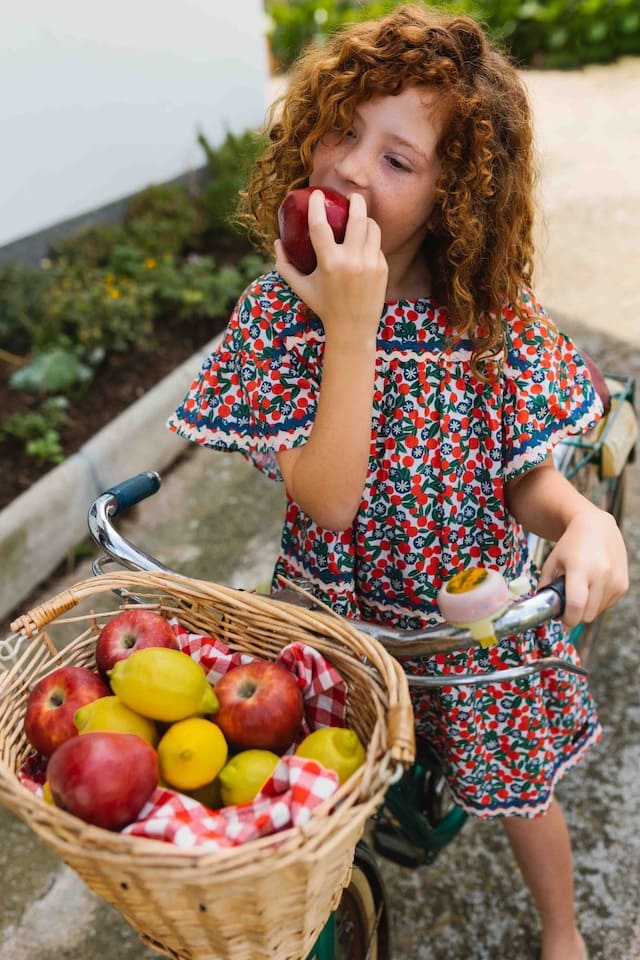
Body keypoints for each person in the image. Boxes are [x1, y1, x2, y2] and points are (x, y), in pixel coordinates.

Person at [167, 5, 628, 958]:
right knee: (294, 789)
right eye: (343, 126)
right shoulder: (281, 318)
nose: (347, 167)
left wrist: (583, 519)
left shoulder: (486, 320)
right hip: (333, 618)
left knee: (521, 788)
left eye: (397, 160)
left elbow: (524, 486)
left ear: (456, 194)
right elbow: (326, 498)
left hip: (464, 617)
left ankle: (563, 931)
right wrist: (349, 325)